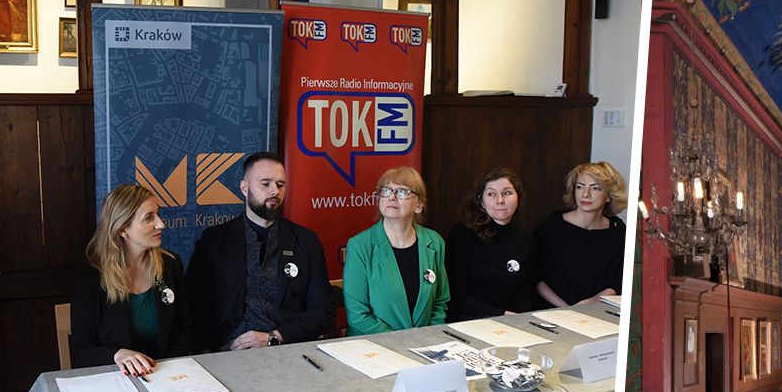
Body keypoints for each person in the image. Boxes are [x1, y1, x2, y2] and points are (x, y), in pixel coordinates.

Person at [189, 152, 334, 350]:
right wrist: (211, 353)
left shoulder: (306, 241)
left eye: (280, 185)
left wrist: (274, 337)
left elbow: (323, 311)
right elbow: (194, 308)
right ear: (245, 188)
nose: (275, 191)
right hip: (228, 354)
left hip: (289, 351)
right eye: (266, 184)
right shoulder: (213, 242)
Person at [71, 184, 191, 373]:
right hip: (115, 378)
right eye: (149, 218)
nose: (161, 224)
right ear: (122, 230)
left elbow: (185, 330)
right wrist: (116, 354)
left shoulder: (170, 265)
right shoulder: (90, 278)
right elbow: (82, 353)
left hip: (166, 374)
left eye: (158, 214)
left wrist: (162, 370)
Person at [343, 166, 450, 335]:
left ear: (419, 206)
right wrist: (401, 341)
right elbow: (357, 315)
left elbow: (440, 301)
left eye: (402, 192)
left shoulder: (435, 242)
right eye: (386, 190)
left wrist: (427, 336)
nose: (391, 197)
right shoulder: (360, 245)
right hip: (372, 345)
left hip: (425, 342)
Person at [534, 161, 627, 308]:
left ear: (608, 196)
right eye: (580, 186)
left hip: (599, 309)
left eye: (595, 188)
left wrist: (591, 303)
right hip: (553, 310)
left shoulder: (618, 231)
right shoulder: (551, 227)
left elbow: (618, 280)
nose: (585, 194)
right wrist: (568, 310)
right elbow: (536, 278)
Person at [445, 168, 534, 321]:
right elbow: (456, 297)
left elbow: (525, 292)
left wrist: (523, 320)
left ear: (518, 198)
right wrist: (502, 315)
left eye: (507, 193)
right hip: (468, 320)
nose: (500, 200)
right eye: (491, 194)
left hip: (511, 322)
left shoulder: (525, 237)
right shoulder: (462, 235)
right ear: (481, 201)